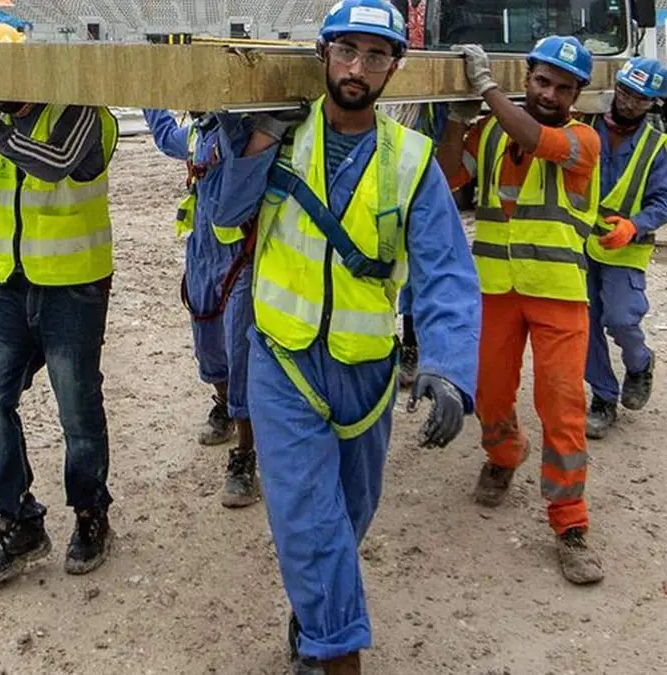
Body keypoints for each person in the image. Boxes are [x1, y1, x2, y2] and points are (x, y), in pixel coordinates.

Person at [210, 0, 481, 669]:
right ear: (324, 55)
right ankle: (332, 649)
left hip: (367, 371)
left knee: (348, 516)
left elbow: (446, 272)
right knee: (307, 518)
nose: (359, 68)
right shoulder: (279, 138)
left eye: (376, 55)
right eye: (348, 51)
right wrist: (252, 144)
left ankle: (315, 612)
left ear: (395, 66)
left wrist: (448, 367)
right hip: (283, 362)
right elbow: (222, 222)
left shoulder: (411, 161)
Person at [0, 23, 119, 590]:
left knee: (78, 412)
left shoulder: (84, 107)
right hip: (9, 284)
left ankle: (90, 513)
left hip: (74, 286)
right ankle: (19, 521)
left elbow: (54, 161)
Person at [438, 36, 605, 584]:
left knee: (562, 409)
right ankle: (503, 455)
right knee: (488, 393)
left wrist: (485, 88)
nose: (550, 93)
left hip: (558, 295)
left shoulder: (581, 139)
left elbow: (535, 138)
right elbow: (448, 178)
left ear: (577, 94)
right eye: (541, 81)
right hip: (497, 290)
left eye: (563, 87)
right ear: (528, 78)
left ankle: (570, 524)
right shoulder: (490, 133)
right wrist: (458, 122)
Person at [142, 107, 260, 507]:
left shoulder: (239, 129)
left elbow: (237, 143)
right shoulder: (196, 133)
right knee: (207, 345)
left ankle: (245, 455)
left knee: (241, 352)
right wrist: (150, 96)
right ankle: (224, 404)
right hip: (202, 255)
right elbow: (164, 136)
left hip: (238, 256)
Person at [581, 57, 667, 439]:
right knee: (585, 324)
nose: (627, 102)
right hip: (581, 244)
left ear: (653, 103)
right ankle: (603, 397)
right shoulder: (586, 127)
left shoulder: (654, 147)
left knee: (621, 319)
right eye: (624, 92)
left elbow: (666, 202)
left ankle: (639, 364)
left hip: (625, 249)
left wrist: (634, 226)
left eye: (639, 98)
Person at [378, 101, 454, 388]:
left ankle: (414, 346)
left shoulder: (431, 98)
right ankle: (399, 344)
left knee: (421, 270)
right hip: (382, 181)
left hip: (419, 181)